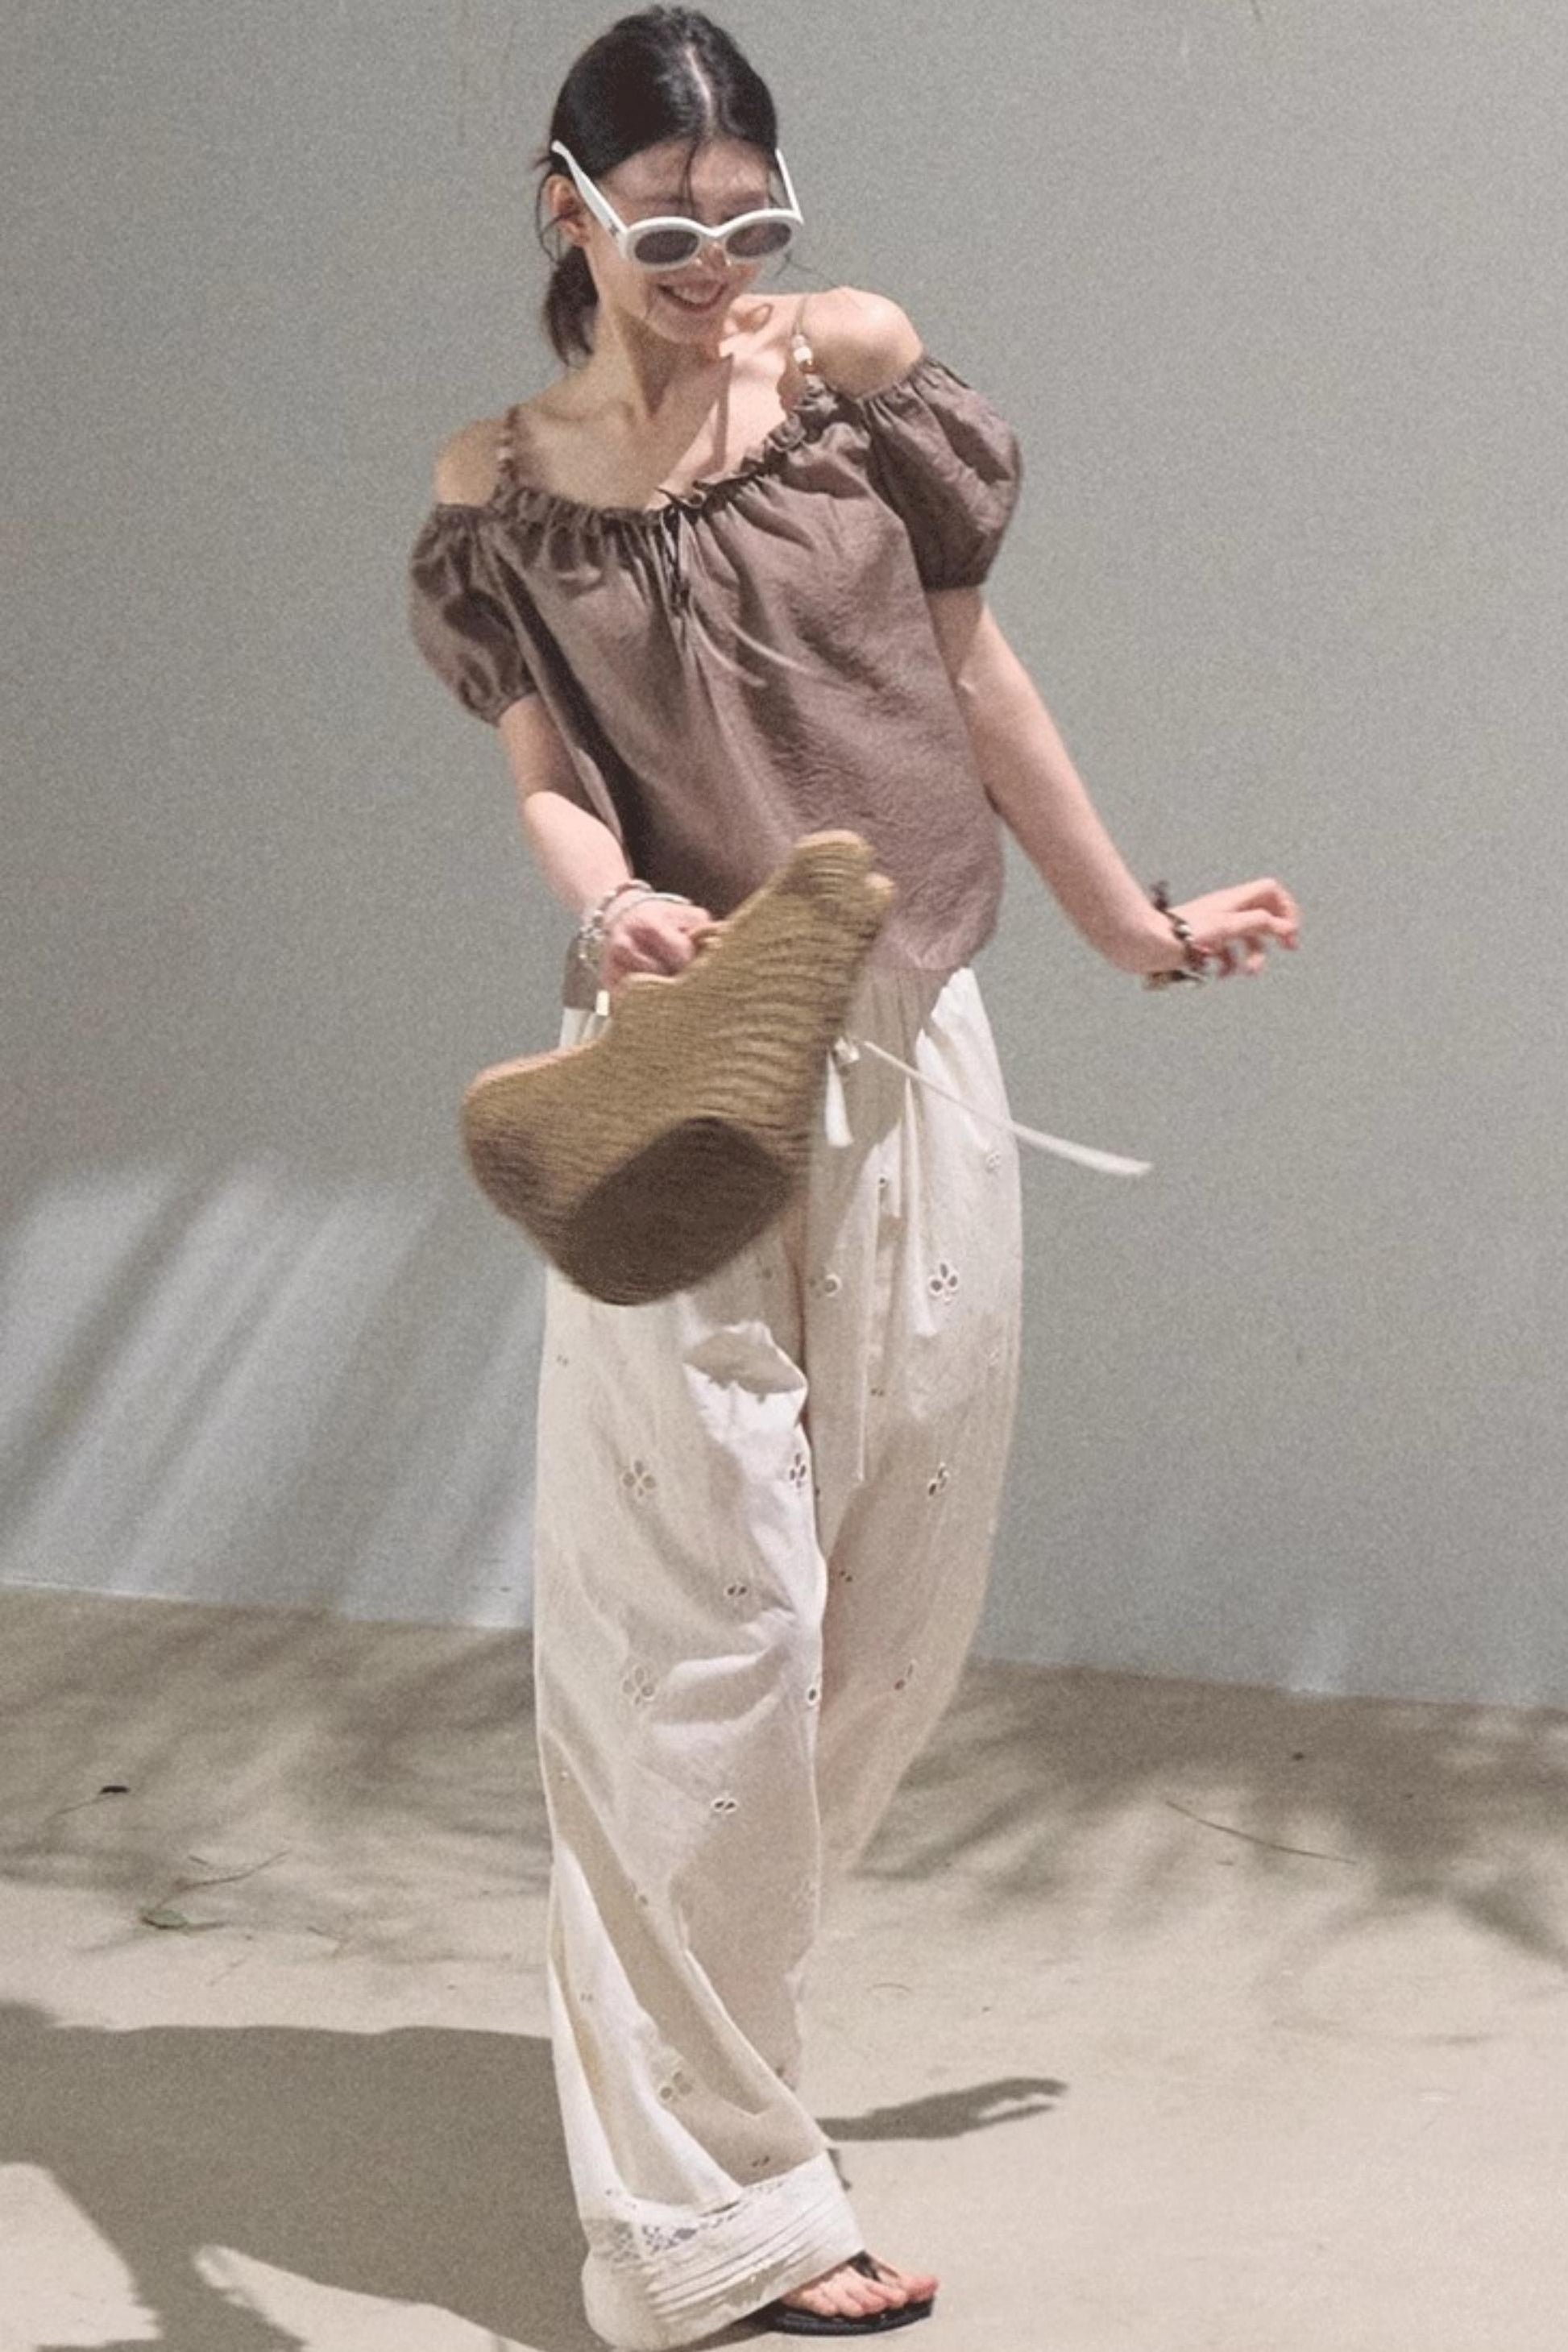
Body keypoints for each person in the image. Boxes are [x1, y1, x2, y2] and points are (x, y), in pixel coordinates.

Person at [407, 10, 1300, 2344]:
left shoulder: (858, 386)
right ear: (567, 209)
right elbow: (547, 773)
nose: (718, 266)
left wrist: (1132, 924)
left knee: (883, 1617)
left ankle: (712, 2093)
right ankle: (702, 2225)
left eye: (754, 220)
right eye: (667, 228)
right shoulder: (497, 488)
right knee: (698, 1635)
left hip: (907, 1054)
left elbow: (976, 682)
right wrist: (608, 897)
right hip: (673, 1080)